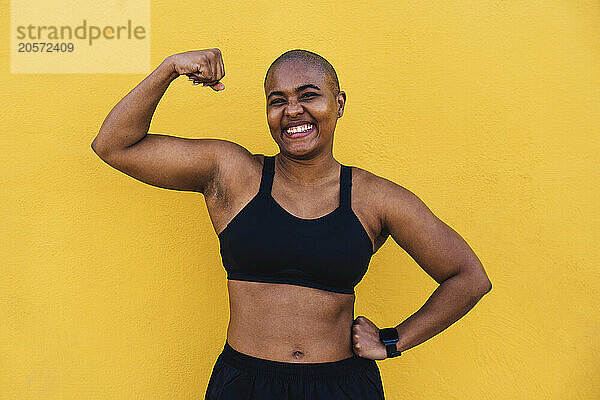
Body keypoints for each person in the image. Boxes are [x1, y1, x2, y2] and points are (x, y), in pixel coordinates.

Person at [91, 48, 492, 399]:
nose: (292, 110)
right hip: (245, 384)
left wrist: (393, 340)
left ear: (339, 102)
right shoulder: (232, 174)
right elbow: (114, 145)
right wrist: (169, 69)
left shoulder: (375, 197)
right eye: (276, 100)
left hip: (341, 387)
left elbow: (468, 277)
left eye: (308, 95)